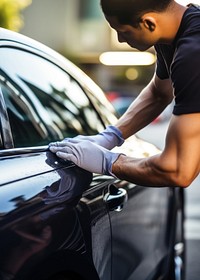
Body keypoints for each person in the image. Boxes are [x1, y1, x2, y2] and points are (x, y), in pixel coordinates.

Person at [49, 0, 200, 188]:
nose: (120, 39)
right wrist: (110, 136)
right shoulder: (174, 33)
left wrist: (108, 162)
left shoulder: (193, 54)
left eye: (123, 31)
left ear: (149, 23)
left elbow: (178, 169)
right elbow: (159, 93)